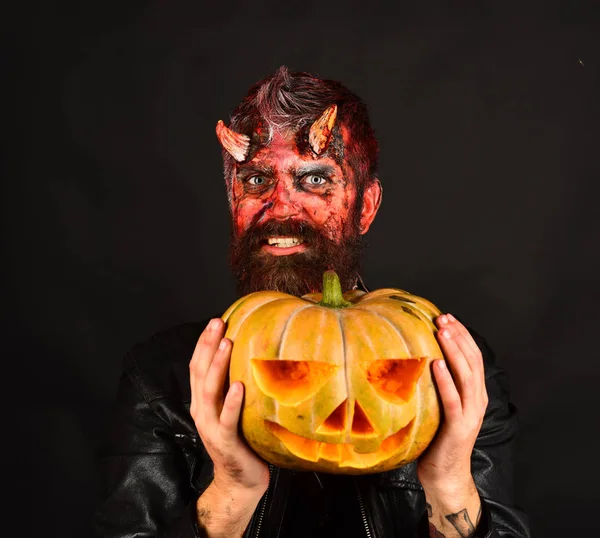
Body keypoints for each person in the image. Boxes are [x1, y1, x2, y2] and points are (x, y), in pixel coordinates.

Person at [94, 66, 530, 538]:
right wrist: (233, 490)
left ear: (365, 206)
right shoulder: (159, 377)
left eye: (316, 180)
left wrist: (448, 483)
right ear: (231, 203)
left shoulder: (450, 363)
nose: (281, 207)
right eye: (256, 181)